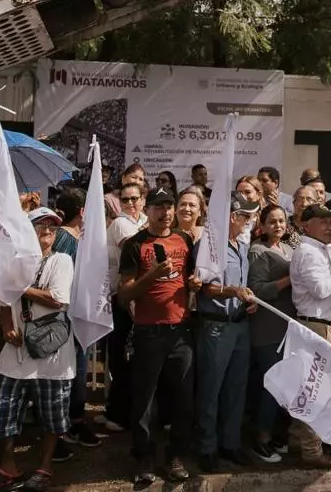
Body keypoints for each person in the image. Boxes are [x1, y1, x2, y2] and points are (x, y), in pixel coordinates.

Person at [0, 210, 76, 492]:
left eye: (52, 227)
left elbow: (57, 298)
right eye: (39, 226)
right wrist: (6, 325)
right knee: (1, 405)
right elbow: (5, 300)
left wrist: (17, 285)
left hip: (51, 350)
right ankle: (7, 466)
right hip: (17, 347)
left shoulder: (61, 260)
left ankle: (44, 467)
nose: (47, 231)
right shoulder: (14, 263)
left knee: (52, 412)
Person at [117, 187, 201, 485]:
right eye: (158, 206)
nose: (165, 212)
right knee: (144, 400)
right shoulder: (134, 244)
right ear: (146, 209)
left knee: (182, 398)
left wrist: (195, 282)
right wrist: (152, 273)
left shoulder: (185, 239)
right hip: (148, 331)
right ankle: (145, 458)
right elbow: (124, 294)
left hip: (181, 331)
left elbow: (190, 281)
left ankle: (176, 456)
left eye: (169, 206)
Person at [195, 195, 259, 472]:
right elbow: (204, 287)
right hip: (216, 325)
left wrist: (248, 299)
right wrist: (233, 291)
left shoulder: (242, 246)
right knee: (211, 388)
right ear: (232, 216)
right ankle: (207, 447)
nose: (248, 221)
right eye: (245, 216)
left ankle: (230, 444)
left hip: (240, 324)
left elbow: (241, 284)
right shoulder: (208, 245)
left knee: (236, 388)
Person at [288, 204, 331, 470]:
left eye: (330, 221)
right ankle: (312, 452)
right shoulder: (310, 251)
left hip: (318, 325)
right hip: (317, 327)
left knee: (306, 389)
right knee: (315, 391)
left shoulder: (317, 249)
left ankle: (297, 441)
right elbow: (322, 289)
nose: (328, 226)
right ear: (305, 225)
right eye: (321, 221)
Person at [48, 191, 101, 451]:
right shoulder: (63, 239)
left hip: (81, 315)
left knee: (79, 372)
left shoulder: (83, 238)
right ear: (82, 211)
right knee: (63, 374)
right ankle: (59, 429)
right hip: (63, 316)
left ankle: (77, 420)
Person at [97, 181, 147, 434]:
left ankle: (123, 411)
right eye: (125, 199)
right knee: (120, 358)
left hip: (143, 301)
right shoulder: (121, 224)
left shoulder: (146, 222)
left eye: (134, 198)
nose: (129, 204)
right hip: (122, 299)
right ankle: (117, 413)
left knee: (134, 361)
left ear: (143, 199)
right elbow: (135, 250)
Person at [247, 205, 293, 463]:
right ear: (262, 225)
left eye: (282, 221)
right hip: (267, 327)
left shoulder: (289, 249)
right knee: (271, 385)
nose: (278, 226)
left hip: (288, 327)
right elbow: (256, 290)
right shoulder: (257, 251)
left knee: (284, 386)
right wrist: (289, 280)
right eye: (272, 221)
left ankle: (278, 435)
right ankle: (261, 440)